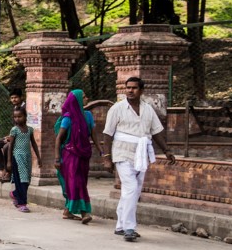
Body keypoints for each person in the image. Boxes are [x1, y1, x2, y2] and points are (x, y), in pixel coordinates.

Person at [102, 77, 175, 241]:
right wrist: (107, 158)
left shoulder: (148, 110)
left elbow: (156, 132)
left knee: (134, 190)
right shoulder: (117, 108)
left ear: (141, 90)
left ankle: (120, 225)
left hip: (141, 153)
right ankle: (129, 228)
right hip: (122, 152)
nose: (130, 90)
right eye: (128, 87)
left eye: (134, 88)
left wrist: (167, 150)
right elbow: (107, 134)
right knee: (131, 188)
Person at [54, 89, 103, 225]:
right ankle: (84, 212)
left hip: (84, 154)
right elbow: (59, 139)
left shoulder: (88, 115)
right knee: (77, 182)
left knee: (78, 182)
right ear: (77, 100)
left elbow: (94, 135)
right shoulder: (68, 118)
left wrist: (101, 150)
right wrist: (57, 158)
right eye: (84, 96)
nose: (87, 98)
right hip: (70, 155)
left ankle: (67, 210)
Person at [3, 105, 41, 212]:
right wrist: (9, 161)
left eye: (19, 116)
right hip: (17, 157)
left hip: (27, 158)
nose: (17, 119)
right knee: (21, 181)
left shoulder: (29, 130)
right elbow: (10, 146)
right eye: (15, 117)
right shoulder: (14, 130)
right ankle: (22, 203)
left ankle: (15, 194)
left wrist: (38, 157)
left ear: (25, 116)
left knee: (27, 180)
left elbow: (33, 143)